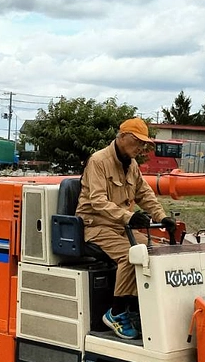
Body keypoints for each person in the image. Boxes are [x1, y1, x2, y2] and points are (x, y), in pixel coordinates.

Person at [76, 117, 177, 340]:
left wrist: (162, 217)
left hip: (120, 226)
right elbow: (97, 201)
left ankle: (136, 308)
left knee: (155, 251)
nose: (141, 147)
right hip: (95, 225)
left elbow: (145, 194)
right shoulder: (99, 161)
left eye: (143, 143)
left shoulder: (132, 166)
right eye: (137, 141)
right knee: (132, 255)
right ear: (122, 137)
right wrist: (129, 217)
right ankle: (117, 312)